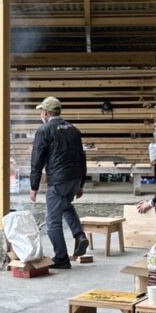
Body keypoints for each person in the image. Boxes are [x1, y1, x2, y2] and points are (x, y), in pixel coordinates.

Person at [29, 96, 88, 269]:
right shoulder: (73, 130)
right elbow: (82, 157)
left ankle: (61, 258)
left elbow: (37, 160)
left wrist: (34, 186)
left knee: (52, 220)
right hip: (75, 177)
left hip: (59, 179)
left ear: (46, 112)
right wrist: (81, 183)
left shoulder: (44, 130)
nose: (41, 113)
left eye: (41, 111)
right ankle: (79, 235)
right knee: (65, 206)